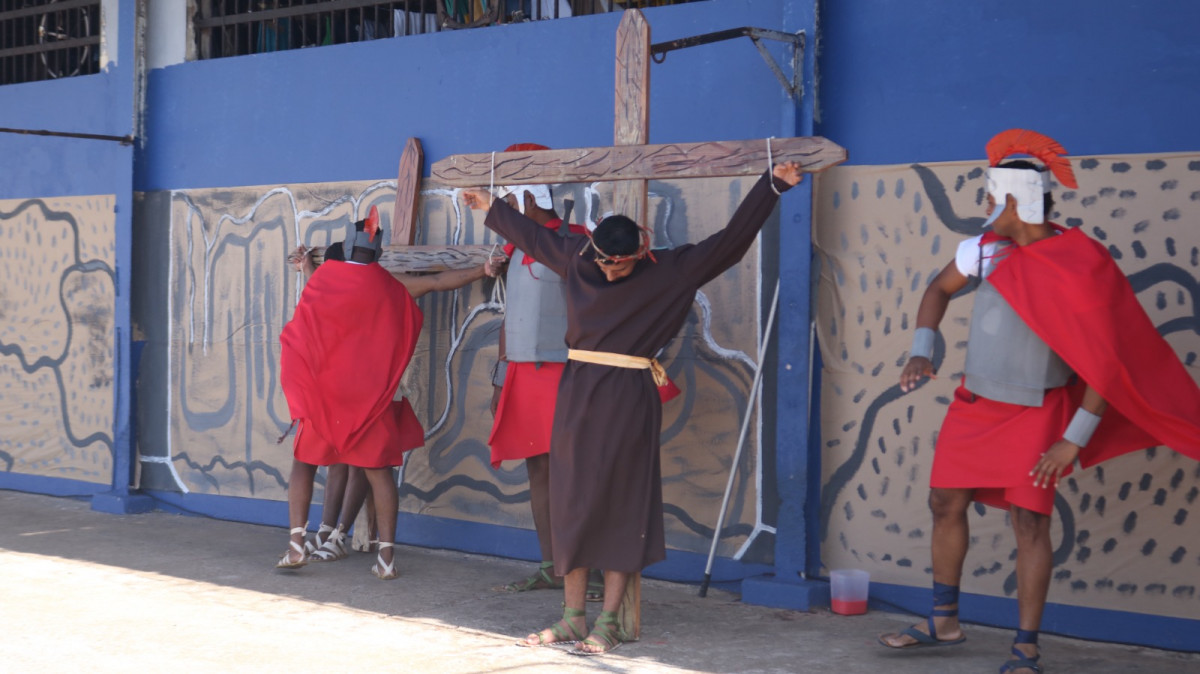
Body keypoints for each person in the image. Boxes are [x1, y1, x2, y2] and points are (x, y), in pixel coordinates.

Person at [879, 129, 1200, 674]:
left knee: (1029, 523)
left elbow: (1107, 360)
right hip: (975, 404)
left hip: (1038, 411)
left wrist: (1072, 439)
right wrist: (920, 351)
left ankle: (1025, 648)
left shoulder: (1080, 262)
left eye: (990, 196)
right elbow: (937, 290)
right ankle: (943, 622)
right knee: (944, 503)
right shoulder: (981, 251)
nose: (985, 205)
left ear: (1012, 200)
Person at [464, 160, 805, 655]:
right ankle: (572, 618)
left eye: (618, 264)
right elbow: (532, 236)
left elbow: (731, 242)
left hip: (628, 395)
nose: (608, 270)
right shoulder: (579, 256)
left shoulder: (673, 269)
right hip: (576, 393)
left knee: (621, 505)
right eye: (603, 261)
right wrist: (489, 206)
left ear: (641, 252)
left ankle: (609, 622)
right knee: (571, 503)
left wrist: (770, 186)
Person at [277, 206, 495, 578]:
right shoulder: (391, 285)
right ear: (377, 251)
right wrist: (483, 269)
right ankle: (386, 559)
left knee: (304, 463)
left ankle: (297, 544)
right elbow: (439, 281)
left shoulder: (324, 279)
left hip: (324, 395)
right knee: (378, 473)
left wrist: (307, 267)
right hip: (371, 397)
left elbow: (312, 303)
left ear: (346, 247)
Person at [482, 143, 604, 602]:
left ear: (531, 198)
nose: (507, 211)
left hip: (567, 373)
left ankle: (589, 571)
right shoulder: (514, 249)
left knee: (577, 473)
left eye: (510, 201)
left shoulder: (578, 241)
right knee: (538, 469)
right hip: (523, 373)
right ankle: (552, 566)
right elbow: (510, 316)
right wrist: (500, 378)